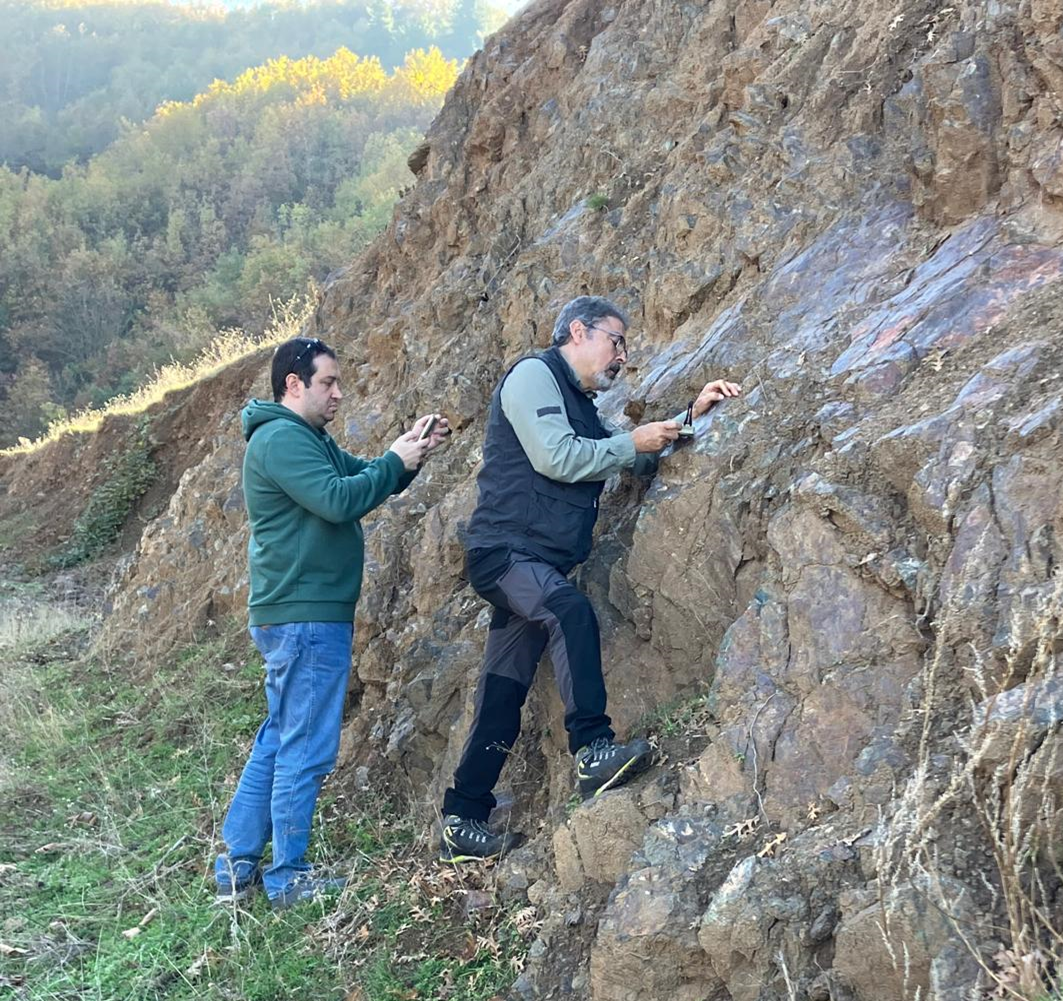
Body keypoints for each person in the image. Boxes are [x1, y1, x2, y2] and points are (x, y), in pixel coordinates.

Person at [439, 295, 741, 862]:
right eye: (616, 340)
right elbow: (558, 457)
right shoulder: (533, 375)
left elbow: (621, 455)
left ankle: (462, 818)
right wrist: (630, 443)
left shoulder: (577, 402)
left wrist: (690, 419)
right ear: (578, 331)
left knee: (504, 692)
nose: (621, 355)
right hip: (504, 556)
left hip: (535, 564)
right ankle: (593, 750)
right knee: (570, 611)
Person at [216, 335, 449, 909]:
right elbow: (339, 501)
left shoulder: (305, 437)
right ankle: (288, 876)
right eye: (328, 383)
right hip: (306, 616)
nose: (338, 393)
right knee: (305, 747)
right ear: (293, 384)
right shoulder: (279, 441)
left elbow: (366, 479)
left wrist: (407, 454)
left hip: (299, 613)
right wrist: (394, 462)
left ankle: (236, 862)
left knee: (279, 735)